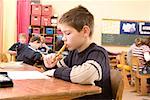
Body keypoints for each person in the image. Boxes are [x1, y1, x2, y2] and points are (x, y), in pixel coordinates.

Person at [43, 5, 112, 99]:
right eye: (62, 34)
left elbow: (86, 75)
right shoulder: (73, 53)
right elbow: (60, 68)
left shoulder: (98, 53)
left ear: (85, 31)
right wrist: (51, 65)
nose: (63, 38)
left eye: (67, 33)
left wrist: (55, 72)